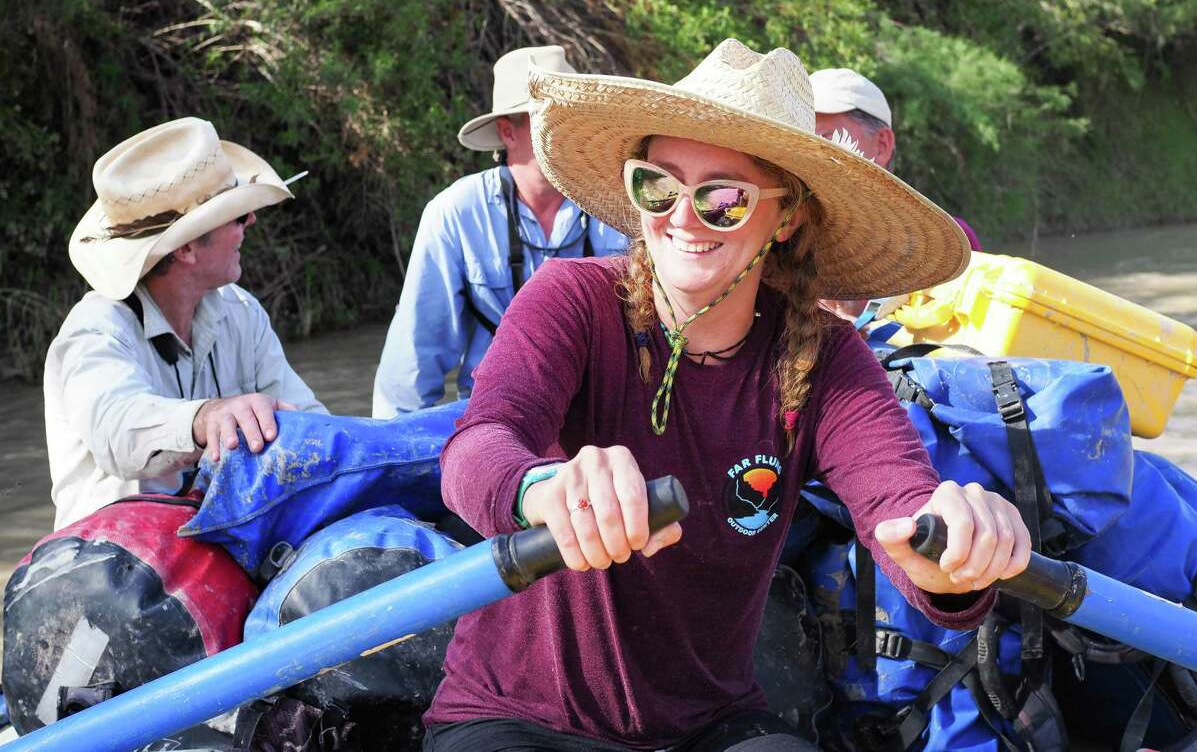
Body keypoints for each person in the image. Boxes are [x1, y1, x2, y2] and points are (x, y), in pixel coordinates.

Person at [423, 39, 1031, 751]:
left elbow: (900, 507)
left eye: (724, 197)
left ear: (787, 218)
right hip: (512, 715)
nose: (682, 216)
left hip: (707, 726)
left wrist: (954, 553)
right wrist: (544, 489)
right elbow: (478, 444)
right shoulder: (572, 299)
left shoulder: (829, 358)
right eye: (658, 185)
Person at [45, 117, 326, 530]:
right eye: (238, 214)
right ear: (189, 248)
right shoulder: (94, 331)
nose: (250, 222)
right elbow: (117, 431)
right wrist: (206, 419)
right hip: (112, 568)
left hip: (217, 552)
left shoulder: (241, 312)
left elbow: (313, 422)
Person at [372, 45, 628, 418]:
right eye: (549, 119)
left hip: (600, 421)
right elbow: (412, 362)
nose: (567, 133)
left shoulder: (617, 208)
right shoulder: (454, 214)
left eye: (571, 118)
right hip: (495, 420)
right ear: (508, 132)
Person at [810, 67, 982, 322]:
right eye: (802, 139)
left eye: (826, 139)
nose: (812, 153)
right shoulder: (776, 238)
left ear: (881, 145)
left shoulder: (950, 244)